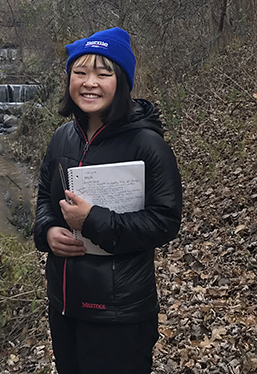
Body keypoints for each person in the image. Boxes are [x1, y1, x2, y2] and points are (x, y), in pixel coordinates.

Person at [34, 27, 182, 374]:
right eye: (80, 72)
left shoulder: (147, 145)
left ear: (123, 82)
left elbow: (164, 221)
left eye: (104, 73)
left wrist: (93, 221)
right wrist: (48, 231)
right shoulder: (62, 139)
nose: (90, 83)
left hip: (119, 313)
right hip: (64, 304)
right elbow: (44, 196)